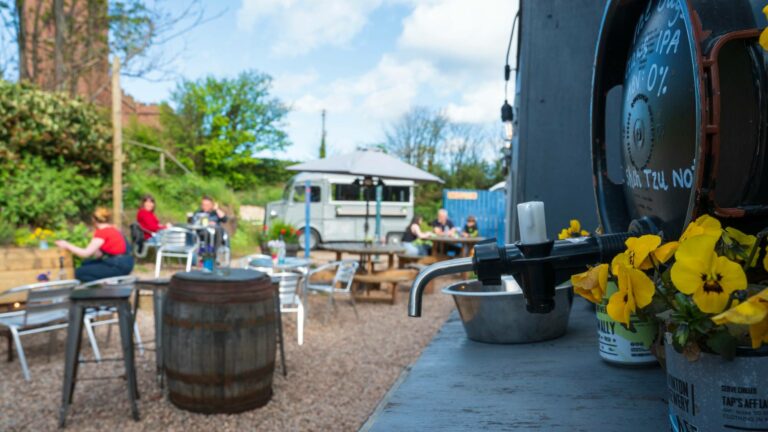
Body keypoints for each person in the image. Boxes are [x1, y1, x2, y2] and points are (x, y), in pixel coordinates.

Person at [55, 207, 134, 283]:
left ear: (94, 220)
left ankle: (101, 288)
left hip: (116, 265)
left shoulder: (102, 232)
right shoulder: (113, 229)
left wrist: (67, 245)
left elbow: (86, 253)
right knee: (86, 263)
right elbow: (98, 255)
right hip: (126, 263)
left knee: (78, 273)